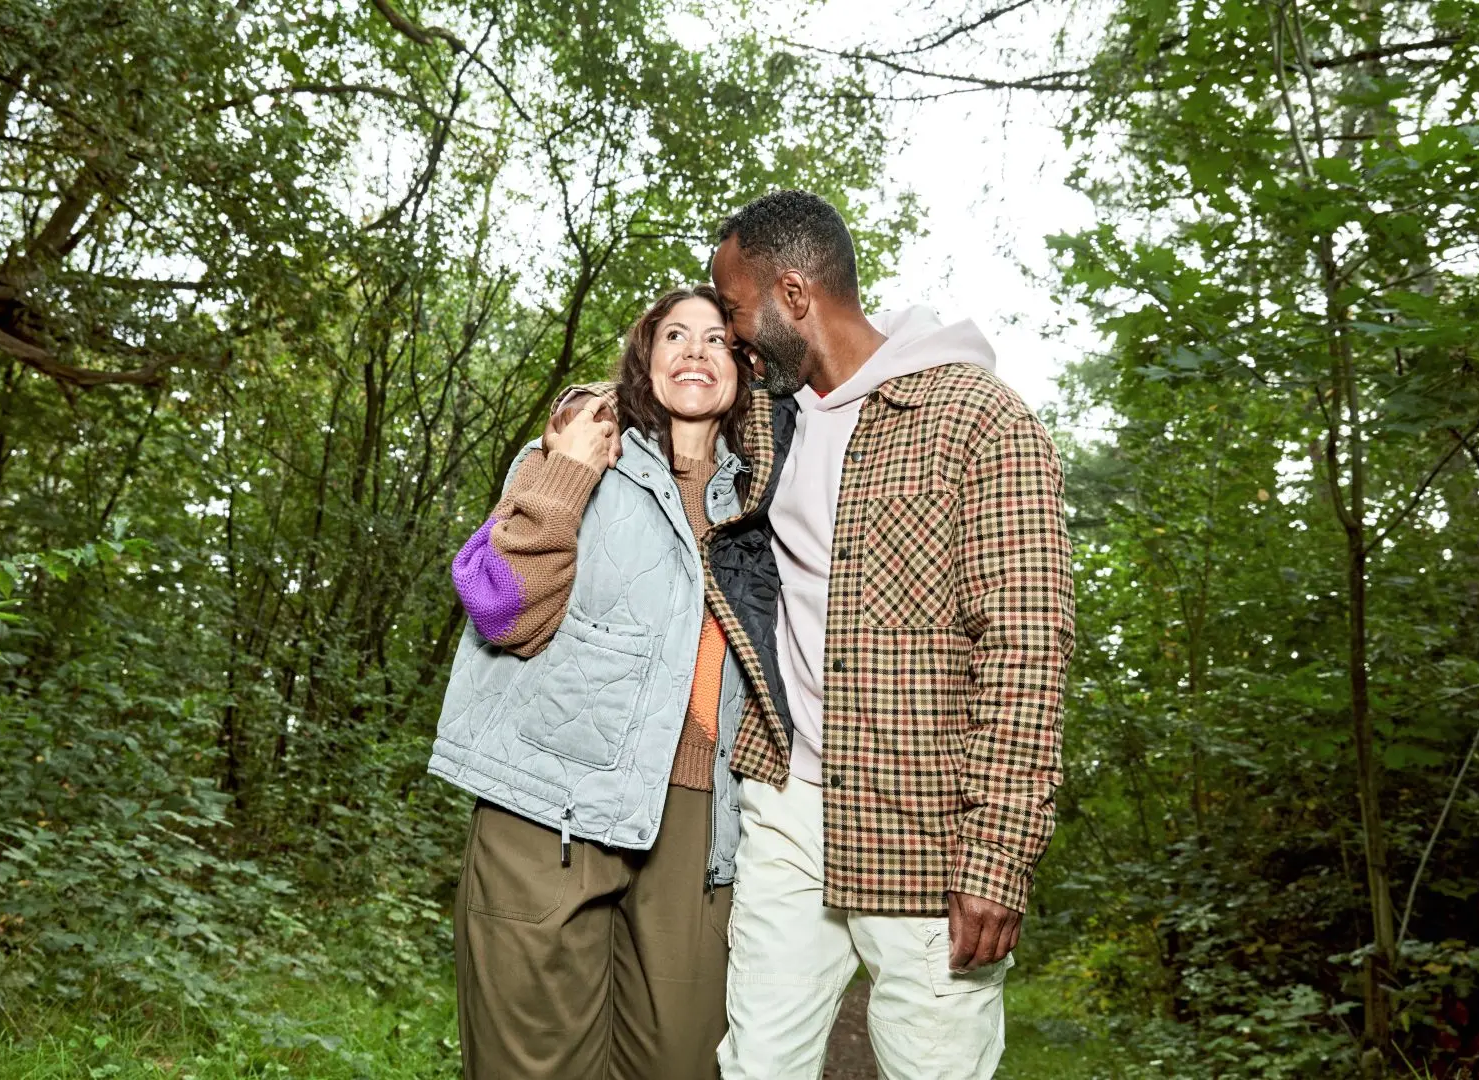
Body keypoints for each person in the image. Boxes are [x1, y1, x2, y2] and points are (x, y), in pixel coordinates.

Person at [554, 189, 1076, 1079]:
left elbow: (1028, 645)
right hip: (786, 802)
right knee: (757, 1064)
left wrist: (999, 852)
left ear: (793, 294)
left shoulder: (981, 421)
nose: (729, 336)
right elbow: (672, 402)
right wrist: (582, 425)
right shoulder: (770, 417)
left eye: (734, 311)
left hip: (922, 821)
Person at [428, 284, 757, 1080]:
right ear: (645, 355)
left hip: (695, 813)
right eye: (673, 333)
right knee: (531, 1065)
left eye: (716, 339)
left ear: (745, 368)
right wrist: (564, 475)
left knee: (683, 1063)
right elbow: (503, 614)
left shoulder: (767, 496)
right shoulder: (577, 448)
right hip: (551, 797)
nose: (694, 351)